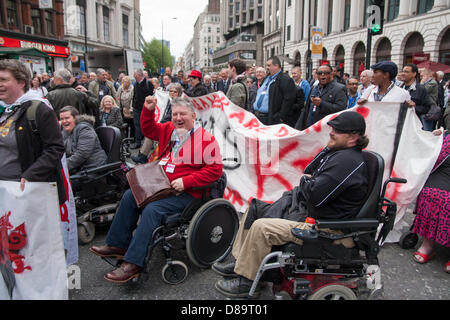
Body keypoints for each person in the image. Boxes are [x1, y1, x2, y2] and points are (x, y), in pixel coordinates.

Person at [213, 111, 369, 297]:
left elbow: (314, 196)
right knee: (253, 208)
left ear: (353, 137)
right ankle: (243, 264)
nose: (332, 132)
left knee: (262, 227)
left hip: (326, 228)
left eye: (338, 130)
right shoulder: (339, 153)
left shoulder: (347, 162)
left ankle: (247, 281)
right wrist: (312, 175)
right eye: (333, 128)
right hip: (312, 212)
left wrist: (305, 182)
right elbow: (309, 174)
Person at [89, 97, 223, 283]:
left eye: (182, 114)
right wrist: (148, 110)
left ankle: (134, 263)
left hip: (186, 193)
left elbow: (215, 171)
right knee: (130, 196)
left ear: (193, 116)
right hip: (161, 185)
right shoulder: (169, 129)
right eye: (175, 114)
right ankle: (118, 245)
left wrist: (187, 181)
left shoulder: (206, 140)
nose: (177, 118)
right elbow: (149, 130)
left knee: (153, 210)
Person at [0, 59, 65, 205]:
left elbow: (55, 148)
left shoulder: (39, 110)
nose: (0, 84)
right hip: (4, 192)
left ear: (21, 82)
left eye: (4, 80)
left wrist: (31, 175)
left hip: (28, 193)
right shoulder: (4, 110)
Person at [412, 129, 449, 274]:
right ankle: (428, 246)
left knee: (439, 197)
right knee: (435, 195)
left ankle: (427, 247)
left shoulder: (446, 139)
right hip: (442, 180)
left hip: (440, 180)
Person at [296, 64, 347, 130]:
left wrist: (322, 104)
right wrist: (298, 127)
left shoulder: (339, 88)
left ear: (331, 74)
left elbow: (340, 109)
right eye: (320, 73)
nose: (322, 75)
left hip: (326, 129)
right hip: (311, 128)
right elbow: (306, 109)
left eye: (326, 73)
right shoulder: (314, 88)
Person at [60, 106, 107, 174]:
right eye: (62, 119)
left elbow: (82, 154)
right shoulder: (65, 131)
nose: (64, 121)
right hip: (78, 168)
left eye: (67, 118)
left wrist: (60, 166)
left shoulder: (84, 129)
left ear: (75, 118)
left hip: (92, 169)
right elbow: (60, 150)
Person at [252, 56, 297, 126]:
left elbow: (288, 100)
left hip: (270, 119)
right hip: (258, 116)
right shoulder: (266, 79)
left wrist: (280, 117)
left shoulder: (285, 80)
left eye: (269, 65)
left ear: (276, 66)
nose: (267, 68)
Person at [132, 69, 154, 149]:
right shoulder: (135, 84)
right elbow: (134, 95)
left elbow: (152, 96)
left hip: (145, 109)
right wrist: (133, 106)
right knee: (137, 125)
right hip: (136, 108)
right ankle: (138, 142)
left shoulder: (148, 83)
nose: (133, 76)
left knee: (147, 126)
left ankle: (148, 144)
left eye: (134, 74)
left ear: (138, 75)